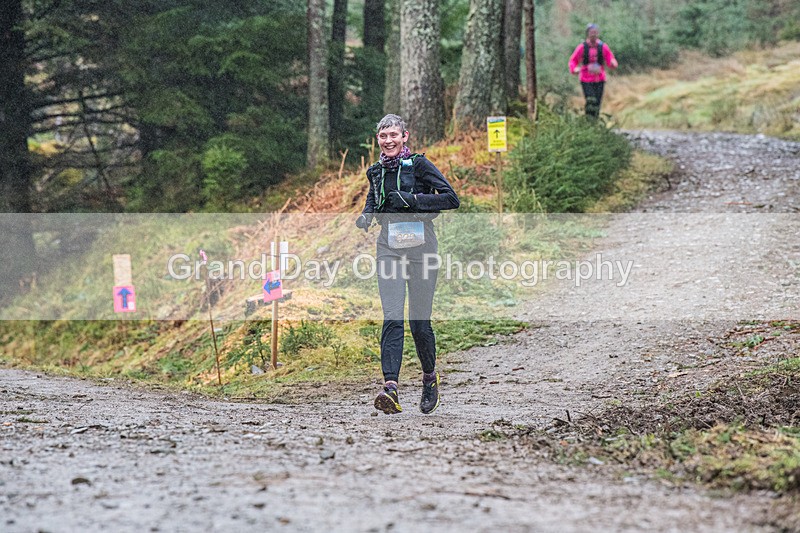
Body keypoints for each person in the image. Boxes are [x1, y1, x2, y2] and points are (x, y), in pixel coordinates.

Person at [356, 114, 460, 415]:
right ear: (378, 139)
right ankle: (390, 387)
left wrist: (413, 199)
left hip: (422, 250)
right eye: (383, 136)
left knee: (419, 321)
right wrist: (366, 216)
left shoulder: (420, 165)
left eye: (393, 135)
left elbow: (451, 199)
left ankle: (429, 378)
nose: (388, 140)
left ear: (405, 137)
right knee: (391, 316)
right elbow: (373, 201)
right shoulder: (375, 171)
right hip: (389, 248)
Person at [568, 23, 619, 117]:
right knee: (590, 100)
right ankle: (588, 120)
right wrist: (574, 69)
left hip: (600, 78)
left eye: (595, 32)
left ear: (598, 34)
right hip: (586, 79)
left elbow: (610, 59)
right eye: (591, 32)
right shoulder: (582, 47)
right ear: (587, 34)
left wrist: (613, 63)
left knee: (598, 102)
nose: (593, 35)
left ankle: (595, 122)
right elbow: (573, 60)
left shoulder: (603, 46)